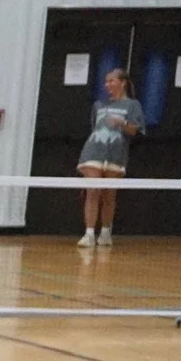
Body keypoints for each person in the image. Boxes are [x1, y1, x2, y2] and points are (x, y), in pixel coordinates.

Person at [77, 67, 145, 249]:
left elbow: (134, 130)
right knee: (92, 191)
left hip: (116, 154)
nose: (107, 85)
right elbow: (94, 128)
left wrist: (121, 123)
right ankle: (89, 233)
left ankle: (105, 232)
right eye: (106, 81)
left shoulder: (132, 106)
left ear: (122, 83)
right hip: (94, 151)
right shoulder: (99, 105)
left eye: (111, 81)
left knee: (109, 195)